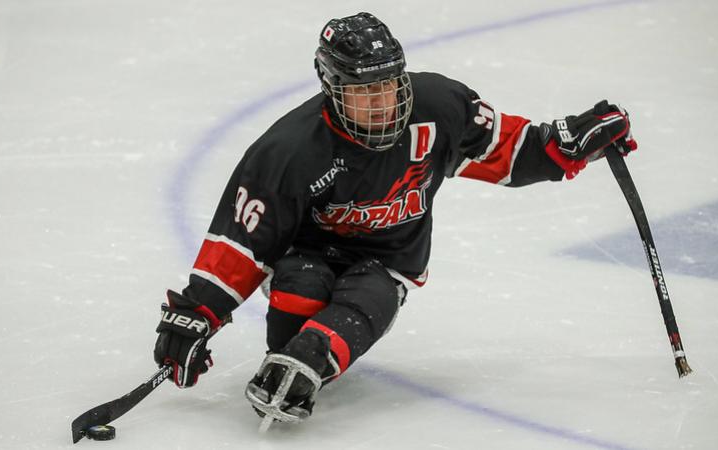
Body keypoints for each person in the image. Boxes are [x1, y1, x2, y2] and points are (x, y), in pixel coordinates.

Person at [153, 12, 637, 426]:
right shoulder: (289, 151)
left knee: (367, 296)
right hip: (305, 254)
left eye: (389, 86)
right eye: (365, 93)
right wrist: (196, 314)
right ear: (333, 89)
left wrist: (565, 145)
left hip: (387, 259)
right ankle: (292, 354)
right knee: (303, 283)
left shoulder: (439, 109)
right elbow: (242, 241)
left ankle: (313, 358)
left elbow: (507, 150)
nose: (383, 104)